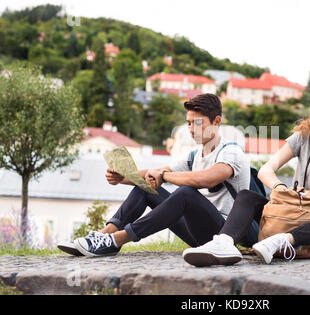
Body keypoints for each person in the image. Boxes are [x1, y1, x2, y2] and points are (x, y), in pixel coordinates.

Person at [183, 83, 310, 266]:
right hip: (293, 215)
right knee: (247, 196)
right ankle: (224, 243)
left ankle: (285, 241)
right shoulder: (305, 137)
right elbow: (266, 170)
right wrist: (280, 188)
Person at [58, 93, 251, 257]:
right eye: (188, 123)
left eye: (197, 124)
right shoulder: (194, 155)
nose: (191, 130)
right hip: (197, 233)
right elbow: (154, 174)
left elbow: (206, 179)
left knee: (186, 193)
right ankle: (104, 235)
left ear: (216, 122)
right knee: (146, 189)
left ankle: (117, 240)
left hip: (223, 236)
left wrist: (164, 176)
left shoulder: (231, 152)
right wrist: (122, 178)